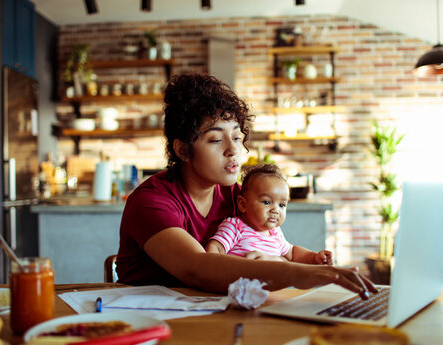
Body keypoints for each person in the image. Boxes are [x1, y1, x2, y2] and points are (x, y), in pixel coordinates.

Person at [116, 73, 375, 298]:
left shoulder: (235, 195)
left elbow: (267, 246)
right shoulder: (151, 201)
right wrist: (297, 273)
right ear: (183, 150)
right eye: (216, 140)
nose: (234, 151)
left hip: (210, 310)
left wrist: (284, 261)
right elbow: (196, 268)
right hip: (146, 318)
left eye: (238, 137)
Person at [205, 163, 333, 265]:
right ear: (243, 204)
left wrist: (314, 257)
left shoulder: (276, 233)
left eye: (282, 205)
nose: (275, 210)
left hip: (270, 292)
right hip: (239, 289)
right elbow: (214, 251)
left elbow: (292, 253)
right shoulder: (235, 227)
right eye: (266, 202)